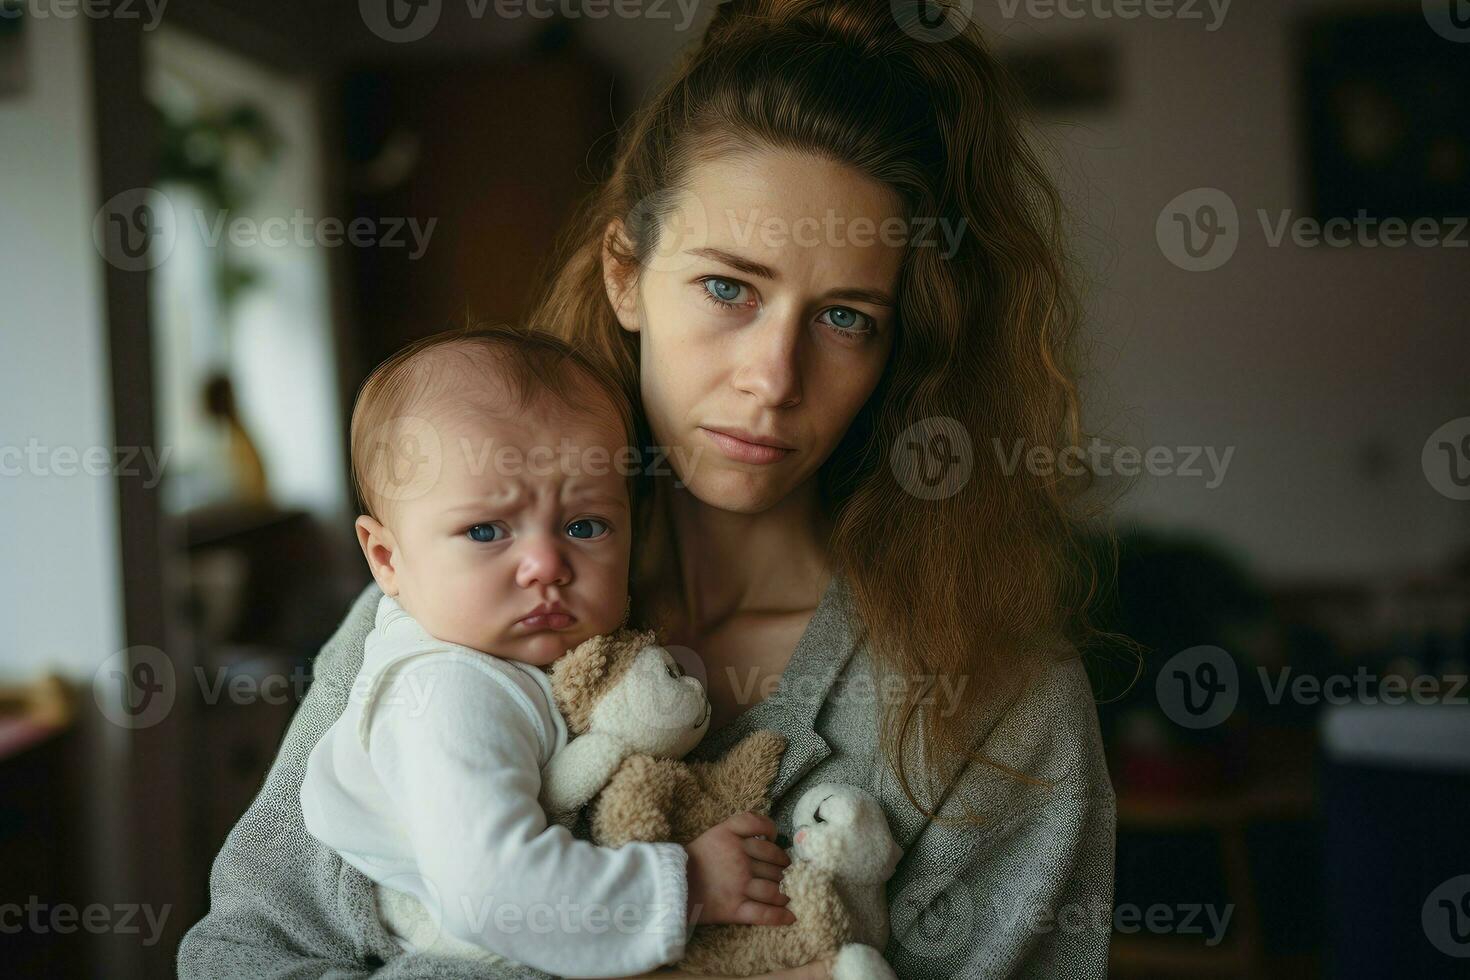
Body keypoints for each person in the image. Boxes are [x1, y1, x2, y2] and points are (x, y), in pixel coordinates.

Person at [179, 2, 1116, 977]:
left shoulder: (1001, 701)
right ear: (627, 272)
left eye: (844, 316)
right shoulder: (448, 599)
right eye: (728, 287)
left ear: (897, 350)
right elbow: (241, 954)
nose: (773, 375)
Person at [297, 327, 795, 977]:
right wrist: (690, 884)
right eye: (485, 531)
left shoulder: (511, 654)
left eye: (585, 526)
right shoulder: (445, 692)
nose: (546, 565)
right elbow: (492, 892)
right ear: (388, 559)